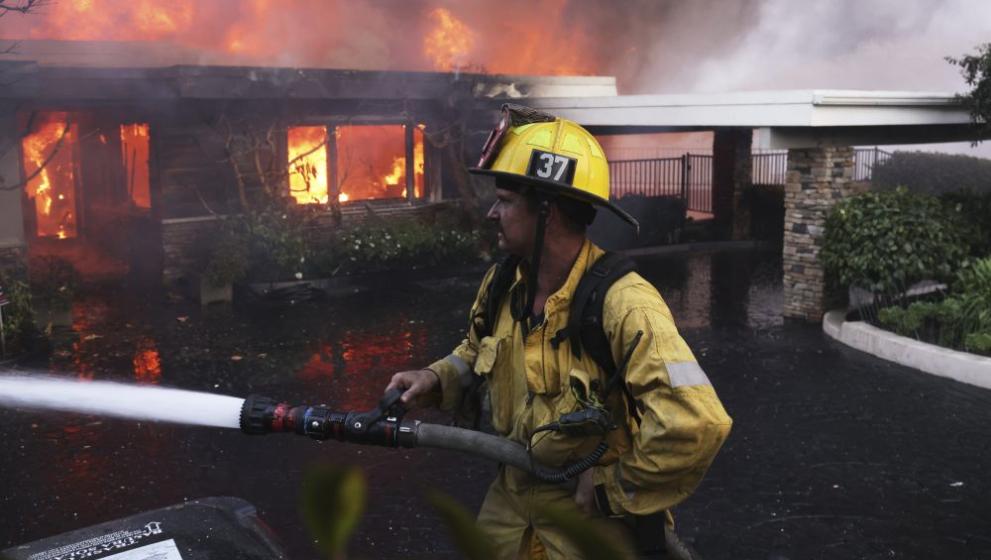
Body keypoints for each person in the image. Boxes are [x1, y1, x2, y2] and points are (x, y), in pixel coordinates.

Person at [386, 105, 732, 559]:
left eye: (506, 200)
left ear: (548, 211)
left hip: (587, 526)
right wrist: (434, 379)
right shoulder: (502, 285)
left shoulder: (625, 303)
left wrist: (610, 489)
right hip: (507, 512)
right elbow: (476, 352)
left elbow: (697, 422)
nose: (492, 213)